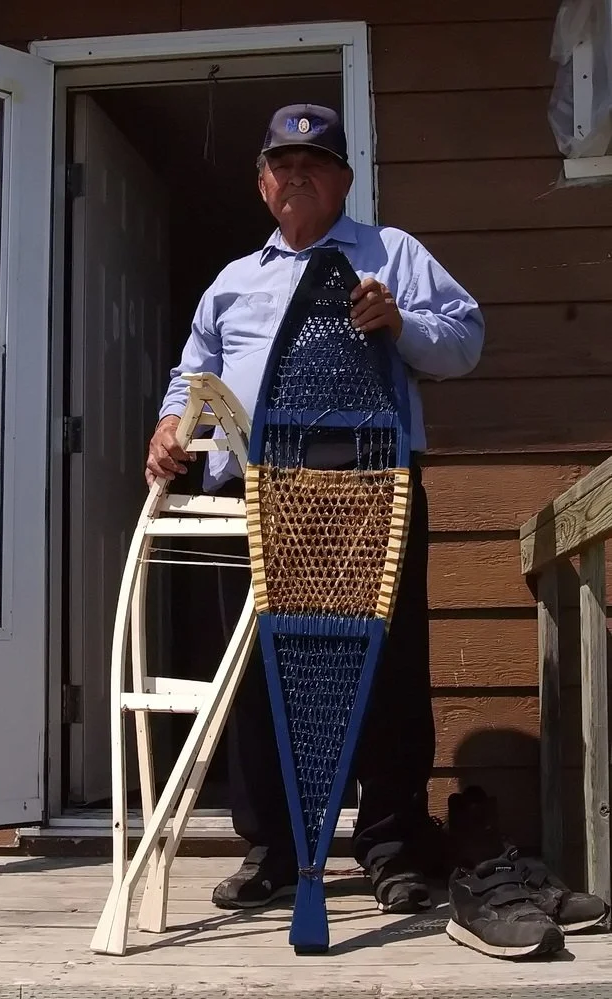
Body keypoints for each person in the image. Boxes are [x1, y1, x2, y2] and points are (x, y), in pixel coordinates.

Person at [146, 104, 484, 914]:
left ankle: (391, 844)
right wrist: (169, 426)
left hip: (369, 490)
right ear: (263, 182)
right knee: (258, 672)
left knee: (386, 665)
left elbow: (465, 341)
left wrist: (398, 321)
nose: (296, 174)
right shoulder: (232, 281)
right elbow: (194, 376)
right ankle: (273, 846)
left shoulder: (389, 252)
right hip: (253, 494)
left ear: (342, 177)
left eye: (315, 161)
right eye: (282, 163)